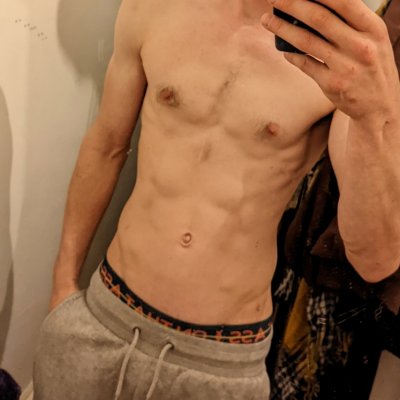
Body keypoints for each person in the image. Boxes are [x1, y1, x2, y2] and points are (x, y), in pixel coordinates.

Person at [32, 0, 400, 399]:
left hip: (221, 361)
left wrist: (376, 114)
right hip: (106, 316)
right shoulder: (154, 7)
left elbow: (376, 259)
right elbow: (106, 146)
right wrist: (63, 284)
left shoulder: (337, 55)